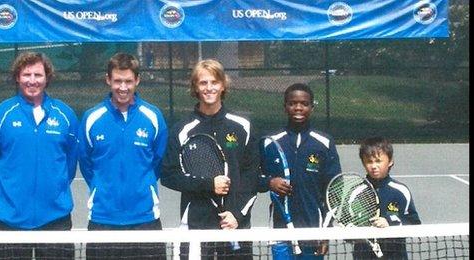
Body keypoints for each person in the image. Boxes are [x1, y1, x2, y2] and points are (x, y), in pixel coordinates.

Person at [0, 52, 78, 259]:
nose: (32, 81)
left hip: (55, 219)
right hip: (11, 221)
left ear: (47, 77)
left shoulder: (65, 115)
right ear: (17, 77)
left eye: (38, 75)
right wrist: (5, 195)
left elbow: (70, 162)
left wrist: (55, 189)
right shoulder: (0, 116)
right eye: (26, 75)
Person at [161, 59, 259, 259]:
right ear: (195, 88)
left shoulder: (242, 126)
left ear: (223, 85)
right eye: (203, 83)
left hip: (234, 225)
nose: (209, 88)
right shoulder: (182, 130)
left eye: (214, 82)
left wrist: (237, 215)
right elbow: (169, 175)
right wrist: (208, 185)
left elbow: (251, 175)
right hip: (196, 225)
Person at [78, 52, 168, 259]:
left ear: (137, 80)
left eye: (128, 81)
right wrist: (101, 188)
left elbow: (157, 161)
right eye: (117, 81)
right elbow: (86, 162)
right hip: (103, 218)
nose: (123, 87)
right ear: (108, 80)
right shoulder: (92, 118)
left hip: (145, 218)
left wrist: (141, 186)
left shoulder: (153, 117)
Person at [258, 83, 341, 259]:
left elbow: (334, 190)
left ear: (311, 107)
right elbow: (253, 178)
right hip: (280, 230)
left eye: (304, 103)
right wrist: (269, 182)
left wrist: (326, 232)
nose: (298, 108)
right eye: (292, 103)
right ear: (285, 107)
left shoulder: (324, 143)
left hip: (313, 231)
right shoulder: (270, 142)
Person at [354, 136, 421, 259]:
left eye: (378, 161)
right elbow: (351, 230)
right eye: (369, 161)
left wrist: (390, 222)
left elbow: (414, 223)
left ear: (390, 161)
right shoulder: (357, 192)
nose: (374, 166)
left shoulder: (401, 191)